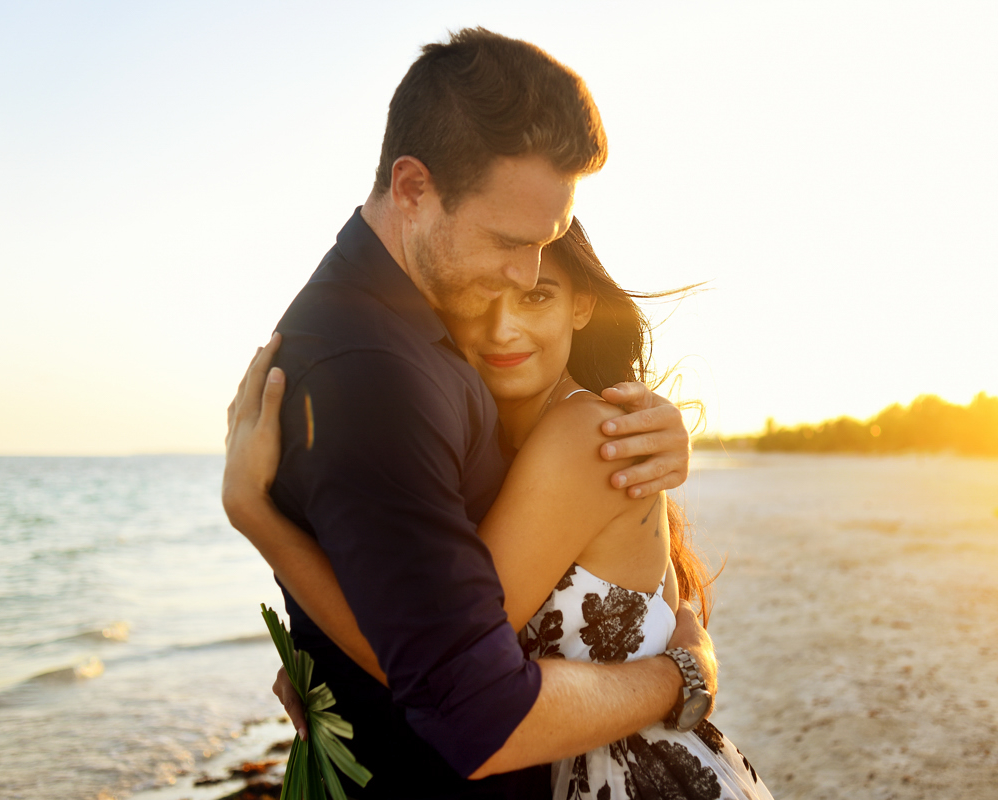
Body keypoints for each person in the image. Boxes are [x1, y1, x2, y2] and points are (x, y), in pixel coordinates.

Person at [221, 28, 718, 800]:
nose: (517, 283)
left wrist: (262, 524)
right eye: (509, 243)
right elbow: (436, 666)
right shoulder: (385, 368)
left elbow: (425, 663)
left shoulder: (541, 405)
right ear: (413, 187)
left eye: (545, 260)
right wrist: (679, 675)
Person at [226, 217, 773, 799]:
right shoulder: (492, 450)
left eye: (537, 296)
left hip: (627, 778)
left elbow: (428, 659)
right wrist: (319, 663)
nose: (502, 328)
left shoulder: (586, 436)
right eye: (480, 297)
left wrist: (257, 516)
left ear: (582, 305)